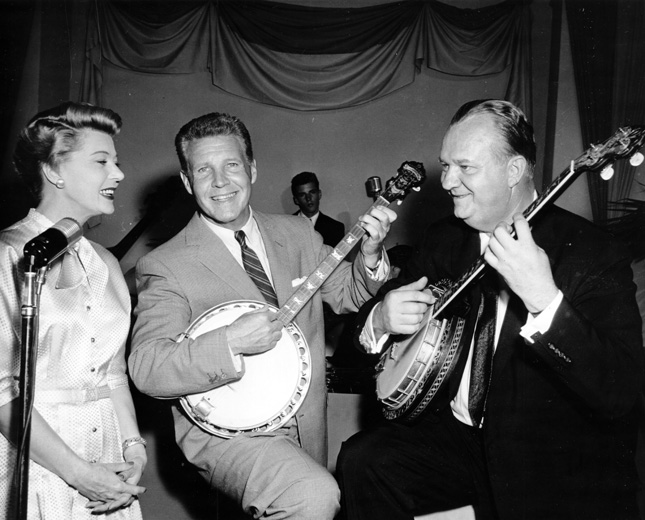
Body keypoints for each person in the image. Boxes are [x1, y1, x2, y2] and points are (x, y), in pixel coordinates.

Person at [336, 99, 645, 520]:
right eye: (446, 165)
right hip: (458, 441)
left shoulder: (592, 253)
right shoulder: (445, 238)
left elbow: (621, 392)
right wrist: (381, 318)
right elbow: (359, 337)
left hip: (543, 460)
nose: (447, 181)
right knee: (363, 459)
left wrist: (544, 298)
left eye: (466, 167)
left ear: (514, 171)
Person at [128, 112, 396, 519]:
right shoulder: (165, 265)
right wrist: (231, 342)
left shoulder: (298, 234)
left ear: (252, 169)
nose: (220, 182)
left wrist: (372, 257)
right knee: (314, 496)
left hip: (305, 423)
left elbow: (349, 293)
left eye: (232, 165)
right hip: (227, 435)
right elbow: (147, 368)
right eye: (204, 170)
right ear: (187, 182)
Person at [0, 102, 147, 518]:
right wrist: (81, 475)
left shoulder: (106, 263)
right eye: (102, 161)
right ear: (54, 170)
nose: (117, 174)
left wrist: (133, 447)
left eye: (116, 162)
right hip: (38, 464)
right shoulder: (7, 255)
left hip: (108, 463)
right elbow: (1, 393)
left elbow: (113, 373)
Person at [291, 171, 345, 247]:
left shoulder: (336, 228)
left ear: (319, 194)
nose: (308, 198)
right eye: (302, 195)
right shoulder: (285, 226)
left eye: (312, 192)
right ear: (296, 200)